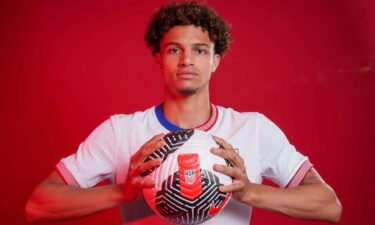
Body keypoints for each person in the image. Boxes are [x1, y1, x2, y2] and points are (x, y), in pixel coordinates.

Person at [25, 2, 342, 225]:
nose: (187, 60)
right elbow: (38, 206)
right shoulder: (120, 132)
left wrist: (250, 192)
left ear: (216, 60)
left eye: (200, 50)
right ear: (158, 59)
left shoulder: (254, 129)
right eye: (174, 49)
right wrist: (123, 192)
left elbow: (329, 206)